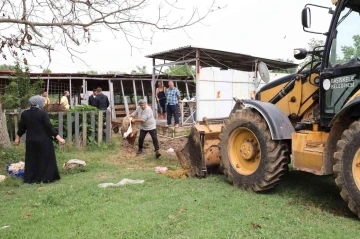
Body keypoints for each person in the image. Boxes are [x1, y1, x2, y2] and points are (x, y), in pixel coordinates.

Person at [14, 95, 65, 184]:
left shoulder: (25, 114)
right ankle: (47, 178)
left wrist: (17, 138)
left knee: (31, 159)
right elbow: (49, 127)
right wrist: (58, 137)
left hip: (31, 141)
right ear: (39, 103)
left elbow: (22, 128)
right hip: (44, 140)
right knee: (46, 158)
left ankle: (30, 179)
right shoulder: (43, 113)